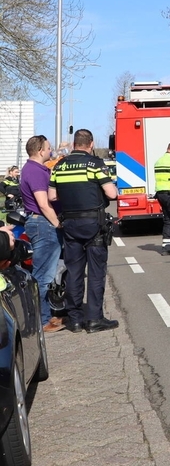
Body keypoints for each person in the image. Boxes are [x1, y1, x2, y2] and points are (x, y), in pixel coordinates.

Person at [48, 129, 118, 333]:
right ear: (91, 143)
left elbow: (52, 196)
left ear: (74, 144)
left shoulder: (59, 166)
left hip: (70, 225)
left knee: (74, 273)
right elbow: (111, 194)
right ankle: (95, 319)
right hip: (93, 226)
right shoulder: (94, 164)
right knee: (96, 273)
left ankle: (75, 319)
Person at [20, 135, 66, 332]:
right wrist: (57, 223)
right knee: (43, 276)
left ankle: (45, 317)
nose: (50, 150)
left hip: (41, 223)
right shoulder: (35, 171)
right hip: (43, 224)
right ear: (40, 151)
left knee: (44, 274)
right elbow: (43, 203)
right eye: (48, 148)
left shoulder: (34, 169)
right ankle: (43, 321)